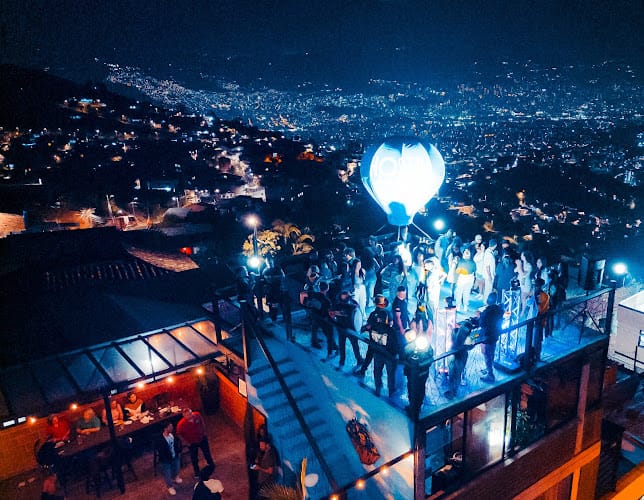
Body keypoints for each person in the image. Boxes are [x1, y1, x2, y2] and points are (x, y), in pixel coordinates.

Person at [362, 294, 398, 397]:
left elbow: (367, 327)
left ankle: (379, 387)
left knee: (377, 371)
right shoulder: (391, 330)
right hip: (388, 355)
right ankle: (391, 391)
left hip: (378, 352)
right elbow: (395, 345)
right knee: (390, 374)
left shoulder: (373, 322)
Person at [177, 408, 215, 479]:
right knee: (194, 458)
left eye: (191, 413)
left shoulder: (197, 415)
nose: (190, 415)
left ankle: (211, 464)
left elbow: (202, 423)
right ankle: (197, 472)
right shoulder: (181, 425)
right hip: (192, 443)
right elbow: (179, 434)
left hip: (202, 439)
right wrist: (186, 442)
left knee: (207, 452)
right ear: (184, 416)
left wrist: (204, 432)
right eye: (188, 415)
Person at [330, 290, 364, 371]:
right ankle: (358, 359)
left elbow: (331, 313)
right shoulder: (353, 305)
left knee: (343, 345)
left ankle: (342, 361)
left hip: (342, 328)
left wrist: (336, 314)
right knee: (354, 345)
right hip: (350, 329)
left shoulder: (338, 305)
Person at [479, 292, 504, 383]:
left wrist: (480, 315)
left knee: (486, 354)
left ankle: (490, 374)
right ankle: (488, 368)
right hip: (495, 334)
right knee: (491, 353)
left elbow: (481, 323)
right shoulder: (500, 310)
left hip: (486, 336)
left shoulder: (486, 311)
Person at [157, 422, 183, 496]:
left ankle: (175, 478)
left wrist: (178, 452)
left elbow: (176, 443)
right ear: (165, 428)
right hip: (166, 460)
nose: (172, 427)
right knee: (167, 474)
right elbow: (161, 451)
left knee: (177, 468)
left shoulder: (172, 435)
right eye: (170, 426)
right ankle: (169, 487)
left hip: (175, 456)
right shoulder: (161, 439)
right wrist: (166, 459)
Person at [454, 246, 476, 313]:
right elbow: (457, 271)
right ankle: (460, 306)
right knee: (461, 293)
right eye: (465, 251)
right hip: (464, 278)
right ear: (463, 254)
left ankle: (463, 306)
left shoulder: (471, 262)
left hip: (467, 278)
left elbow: (474, 271)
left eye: (468, 252)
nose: (467, 252)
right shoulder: (462, 261)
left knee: (465, 292)